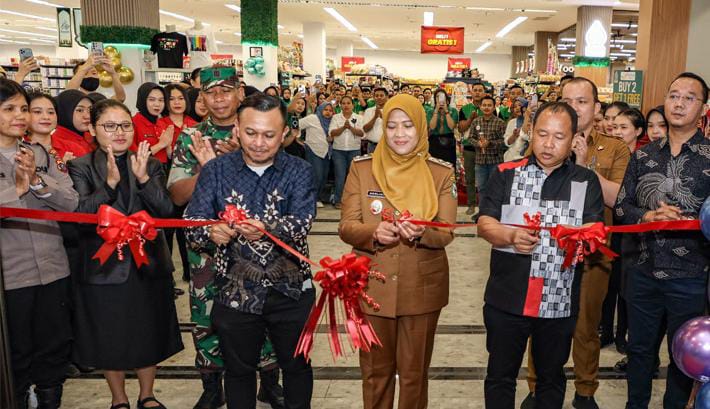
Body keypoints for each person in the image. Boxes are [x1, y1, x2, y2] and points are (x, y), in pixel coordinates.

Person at [184, 93, 316, 409]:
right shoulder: (216, 170)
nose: (259, 143)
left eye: (269, 135)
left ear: (284, 134)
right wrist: (210, 231)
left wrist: (266, 227)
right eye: (250, 133)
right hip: (235, 291)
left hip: (290, 290)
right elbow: (192, 223)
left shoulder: (300, 170)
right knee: (238, 370)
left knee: (296, 366)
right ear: (237, 130)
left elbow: (302, 221)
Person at [478, 102, 605, 409]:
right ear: (531, 132)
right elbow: (484, 223)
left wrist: (584, 237)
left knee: (550, 378)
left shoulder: (585, 181)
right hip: (507, 296)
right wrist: (510, 236)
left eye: (559, 137)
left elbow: (595, 230)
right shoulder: (506, 174)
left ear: (573, 140)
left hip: (558, 299)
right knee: (500, 376)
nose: (548, 144)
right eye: (542, 134)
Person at [339, 94, 457, 409]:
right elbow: (347, 226)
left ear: (420, 127)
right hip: (372, 286)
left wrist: (422, 232)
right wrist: (373, 232)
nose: (399, 134)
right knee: (375, 373)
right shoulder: (363, 169)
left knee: (413, 375)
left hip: (422, 288)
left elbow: (446, 231)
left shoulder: (440, 173)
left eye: (408, 125)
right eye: (391, 126)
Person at [522, 77, 631, 409]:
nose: (574, 107)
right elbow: (526, 192)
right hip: (545, 251)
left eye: (582, 102)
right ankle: (537, 387)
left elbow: (620, 199)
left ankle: (585, 391)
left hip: (592, 254)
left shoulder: (615, 148)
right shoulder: (543, 144)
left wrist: (582, 169)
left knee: (586, 326)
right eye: (567, 100)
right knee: (540, 321)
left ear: (596, 108)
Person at [68, 98, 183, 409]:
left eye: (125, 126)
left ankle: (147, 394)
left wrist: (144, 179)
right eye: (110, 126)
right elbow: (81, 213)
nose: (119, 132)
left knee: (149, 330)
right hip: (104, 266)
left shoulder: (150, 163)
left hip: (148, 263)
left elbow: (166, 210)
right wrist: (108, 185)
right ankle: (119, 398)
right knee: (109, 333)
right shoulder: (80, 166)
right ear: (93, 129)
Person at [616, 72, 710, 409]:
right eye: (673, 95)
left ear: (703, 108)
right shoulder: (643, 156)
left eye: (689, 97)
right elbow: (622, 207)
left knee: (682, 355)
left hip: (691, 276)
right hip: (643, 270)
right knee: (639, 350)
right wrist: (646, 216)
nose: (679, 103)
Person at [0, 78, 79, 409]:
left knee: (54, 347)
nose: (19, 116)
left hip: (52, 268)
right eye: (9, 109)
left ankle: (49, 399)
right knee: (15, 353)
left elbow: (71, 202)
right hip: (10, 276)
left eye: (23, 108)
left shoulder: (40, 154)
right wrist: (16, 190)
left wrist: (35, 180)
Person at [157, 83, 198, 283]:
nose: (177, 102)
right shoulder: (161, 123)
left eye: (180, 98)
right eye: (172, 98)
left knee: (186, 229)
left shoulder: (194, 124)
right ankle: (168, 278)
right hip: (166, 179)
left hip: (191, 181)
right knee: (168, 231)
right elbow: (162, 153)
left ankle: (189, 272)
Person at [466, 96, 506, 221]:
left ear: (494, 107)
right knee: (481, 188)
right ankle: (482, 213)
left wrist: (490, 143)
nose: (486, 107)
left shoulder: (500, 123)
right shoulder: (476, 122)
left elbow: (504, 142)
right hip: (480, 161)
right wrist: (478, 143)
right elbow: (470, 138)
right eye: (484, 105)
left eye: (489, 105)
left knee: (495, 188)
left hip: (495, 161)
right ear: (480, 107)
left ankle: (494, 214)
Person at [329, 95, 364, 209]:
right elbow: (332, 133)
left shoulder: (358, 117)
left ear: (353, 105)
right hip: (338, 151)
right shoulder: (336, 118)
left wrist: (351, 128)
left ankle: (354, 201)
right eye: (343, 103)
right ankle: (338, 200)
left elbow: (362, 133)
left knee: (354, 178)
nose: (346, 105)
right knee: (340, 176)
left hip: (354, 150)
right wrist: (343, 127)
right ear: (340, 105)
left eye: (348, 103)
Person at [131, 83, 174, 166]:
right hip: (143, 170)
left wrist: (168, 147)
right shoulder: (132, 123)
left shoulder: (163, 124)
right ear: (143, 100)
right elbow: (133, 156)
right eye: (152, 100)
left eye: (161, 100)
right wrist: (160, 145)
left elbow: (169, 157)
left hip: (163, 170)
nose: (157, 104)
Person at [300, 102, 334, 208]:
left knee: (323, 177)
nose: (328, 112)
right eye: (325, 110)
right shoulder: (313, 118)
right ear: (320, 109)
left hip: (326, 153)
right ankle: (311, 199)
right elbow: (297, 124)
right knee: (317, 176)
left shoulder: (332, 121)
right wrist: (297, 139)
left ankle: (317, 198)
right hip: (313, 151)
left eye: (330, 110)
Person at [459, 83, 485, 215]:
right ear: (471, 92)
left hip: (485, 149)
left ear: (484, 93)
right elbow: (461, 128)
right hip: (469, 147)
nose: (477, 92)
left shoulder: (489, 107)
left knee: (484, 179)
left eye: (480, 90)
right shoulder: (465, 109)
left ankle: (483, 206)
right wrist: (470, 119)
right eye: (475, 90)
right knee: (470, 178)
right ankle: (471, 204)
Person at [51, 90, 95, 161]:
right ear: (65, 112)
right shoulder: (57, 146)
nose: (88, 116)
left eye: (90, 110)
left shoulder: (91, 137)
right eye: (80, 110)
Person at [427, 89, 458, 165]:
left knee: (449, 166)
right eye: (437, 97)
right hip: (434, 141)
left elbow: (451, 126)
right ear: (434, 99)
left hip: (449, 142)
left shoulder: (453, 111)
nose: (439, 99)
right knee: (434, 166)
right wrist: (436, 110)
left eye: (442, 96)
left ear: (446, 98)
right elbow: (432, 127)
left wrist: (446, 110)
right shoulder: (430, 111)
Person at [503, 97, 530, 162]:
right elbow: (507, 143)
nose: (517, 108)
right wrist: (514, 136)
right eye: (515, 107)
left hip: (527, 159)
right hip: (511, 158)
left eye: (520, 105)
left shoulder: (533, 123)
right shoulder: (511, 122)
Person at [362, 87, 389, 154]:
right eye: (376, 96)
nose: (379, 97)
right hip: (372, 146)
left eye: (381, 95)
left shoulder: (391, 111)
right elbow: (365, 129)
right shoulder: (368, 111)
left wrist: (382, 117)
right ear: (373, 98)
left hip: (387, 146)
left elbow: (393, 127)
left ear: (386, 97)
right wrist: (375, 117)